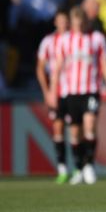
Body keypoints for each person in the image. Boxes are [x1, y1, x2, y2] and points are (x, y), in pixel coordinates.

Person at [49, 7, 106, 185]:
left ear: (86, 22)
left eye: (82, 24)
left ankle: (89, 165)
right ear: (72, 24)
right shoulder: (64, 40)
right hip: (71, 92)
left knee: (90, 124)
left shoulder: (97, 39)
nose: (79, 27)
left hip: (91, 89)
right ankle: (79, 166)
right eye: (76, 25)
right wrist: (52, 91)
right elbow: (57, 67)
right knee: (75, 132)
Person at [36, 10, 69, 184]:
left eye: (66, 20)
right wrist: (47, 91)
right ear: (55, 22)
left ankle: (82, 166)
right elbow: (40, 68)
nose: (63, 23)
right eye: (60, 20)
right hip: (56, 91)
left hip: (73, 89)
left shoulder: (75, 39)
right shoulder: (48, 42)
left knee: (78, 127)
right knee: (58, 127)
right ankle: (62, 168)